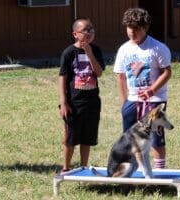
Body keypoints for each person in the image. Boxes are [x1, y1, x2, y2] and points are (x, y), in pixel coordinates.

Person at [113, 8, 172, 169]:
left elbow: (166, 72)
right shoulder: (124, 49)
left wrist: (151, 90)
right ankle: (134, 172)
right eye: (129, 28)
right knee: (130, 138)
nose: (132, 32)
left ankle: (159, 173)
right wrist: (125, 101)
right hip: (132, 100)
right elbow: (121, 76)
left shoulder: (157, 48)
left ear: (145, 28)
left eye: (136, 29)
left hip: (154, 100)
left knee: (155, 137)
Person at [58, 18, 105, 174]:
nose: (90, 32)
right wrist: (64, 103)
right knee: (70, 138)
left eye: (91, 29)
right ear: (75, 34)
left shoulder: (96, 50)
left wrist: (90, 54)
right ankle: (66, 168)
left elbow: (98, 73)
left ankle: (84, 167)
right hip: (74, 103)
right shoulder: (68, 53)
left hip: (92, 102)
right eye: (85, 29)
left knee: (87, 138)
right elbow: (63, 78)